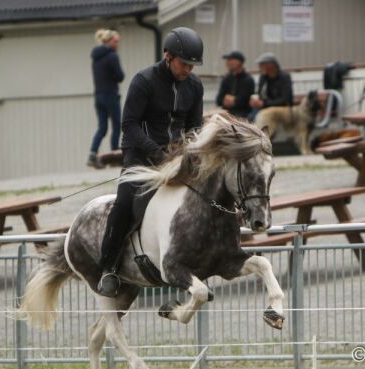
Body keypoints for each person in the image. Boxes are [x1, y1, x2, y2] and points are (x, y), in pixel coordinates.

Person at [97, 27, 205, 296]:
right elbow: (129, 125)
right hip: (140, 156)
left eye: (192, 65)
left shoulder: (194, 86)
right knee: (124, 203)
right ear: (167, 56)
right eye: (184, 64)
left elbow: (194, 128)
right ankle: (107, 267)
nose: (188, 70)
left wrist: (191, 154)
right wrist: (157, 153)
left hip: (176, 158)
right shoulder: (143, 81)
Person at [88, 29, 125, 169]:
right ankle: (115, 155)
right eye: (115, 42)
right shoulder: (112, 56)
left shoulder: (95, 57)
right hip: (111, 95)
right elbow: (120, 76)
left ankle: (92, 154)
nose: (117, 44)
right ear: (108, 41)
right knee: (116, 126)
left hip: (98, 96)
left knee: (102, 127)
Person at [248, 52, 293, 121]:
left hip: (281, 108)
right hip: (266, 107)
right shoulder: (263, 77)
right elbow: (260, 94)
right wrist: (255, 101)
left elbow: (285, 99)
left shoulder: (284, 77)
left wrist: (264, 103)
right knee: (251, 117)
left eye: (262, 64)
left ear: (271, 65)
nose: (260, 67)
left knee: (259, 118)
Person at [215, 50, 255, 118]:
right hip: (226, 112)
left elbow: (244, 103)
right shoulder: (227, 78)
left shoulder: (248, 80)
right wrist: (231, 101)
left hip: (243, 115)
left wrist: (233, 101)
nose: (227, 62)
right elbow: (218, 100)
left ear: (239, 62)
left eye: (230, 59)